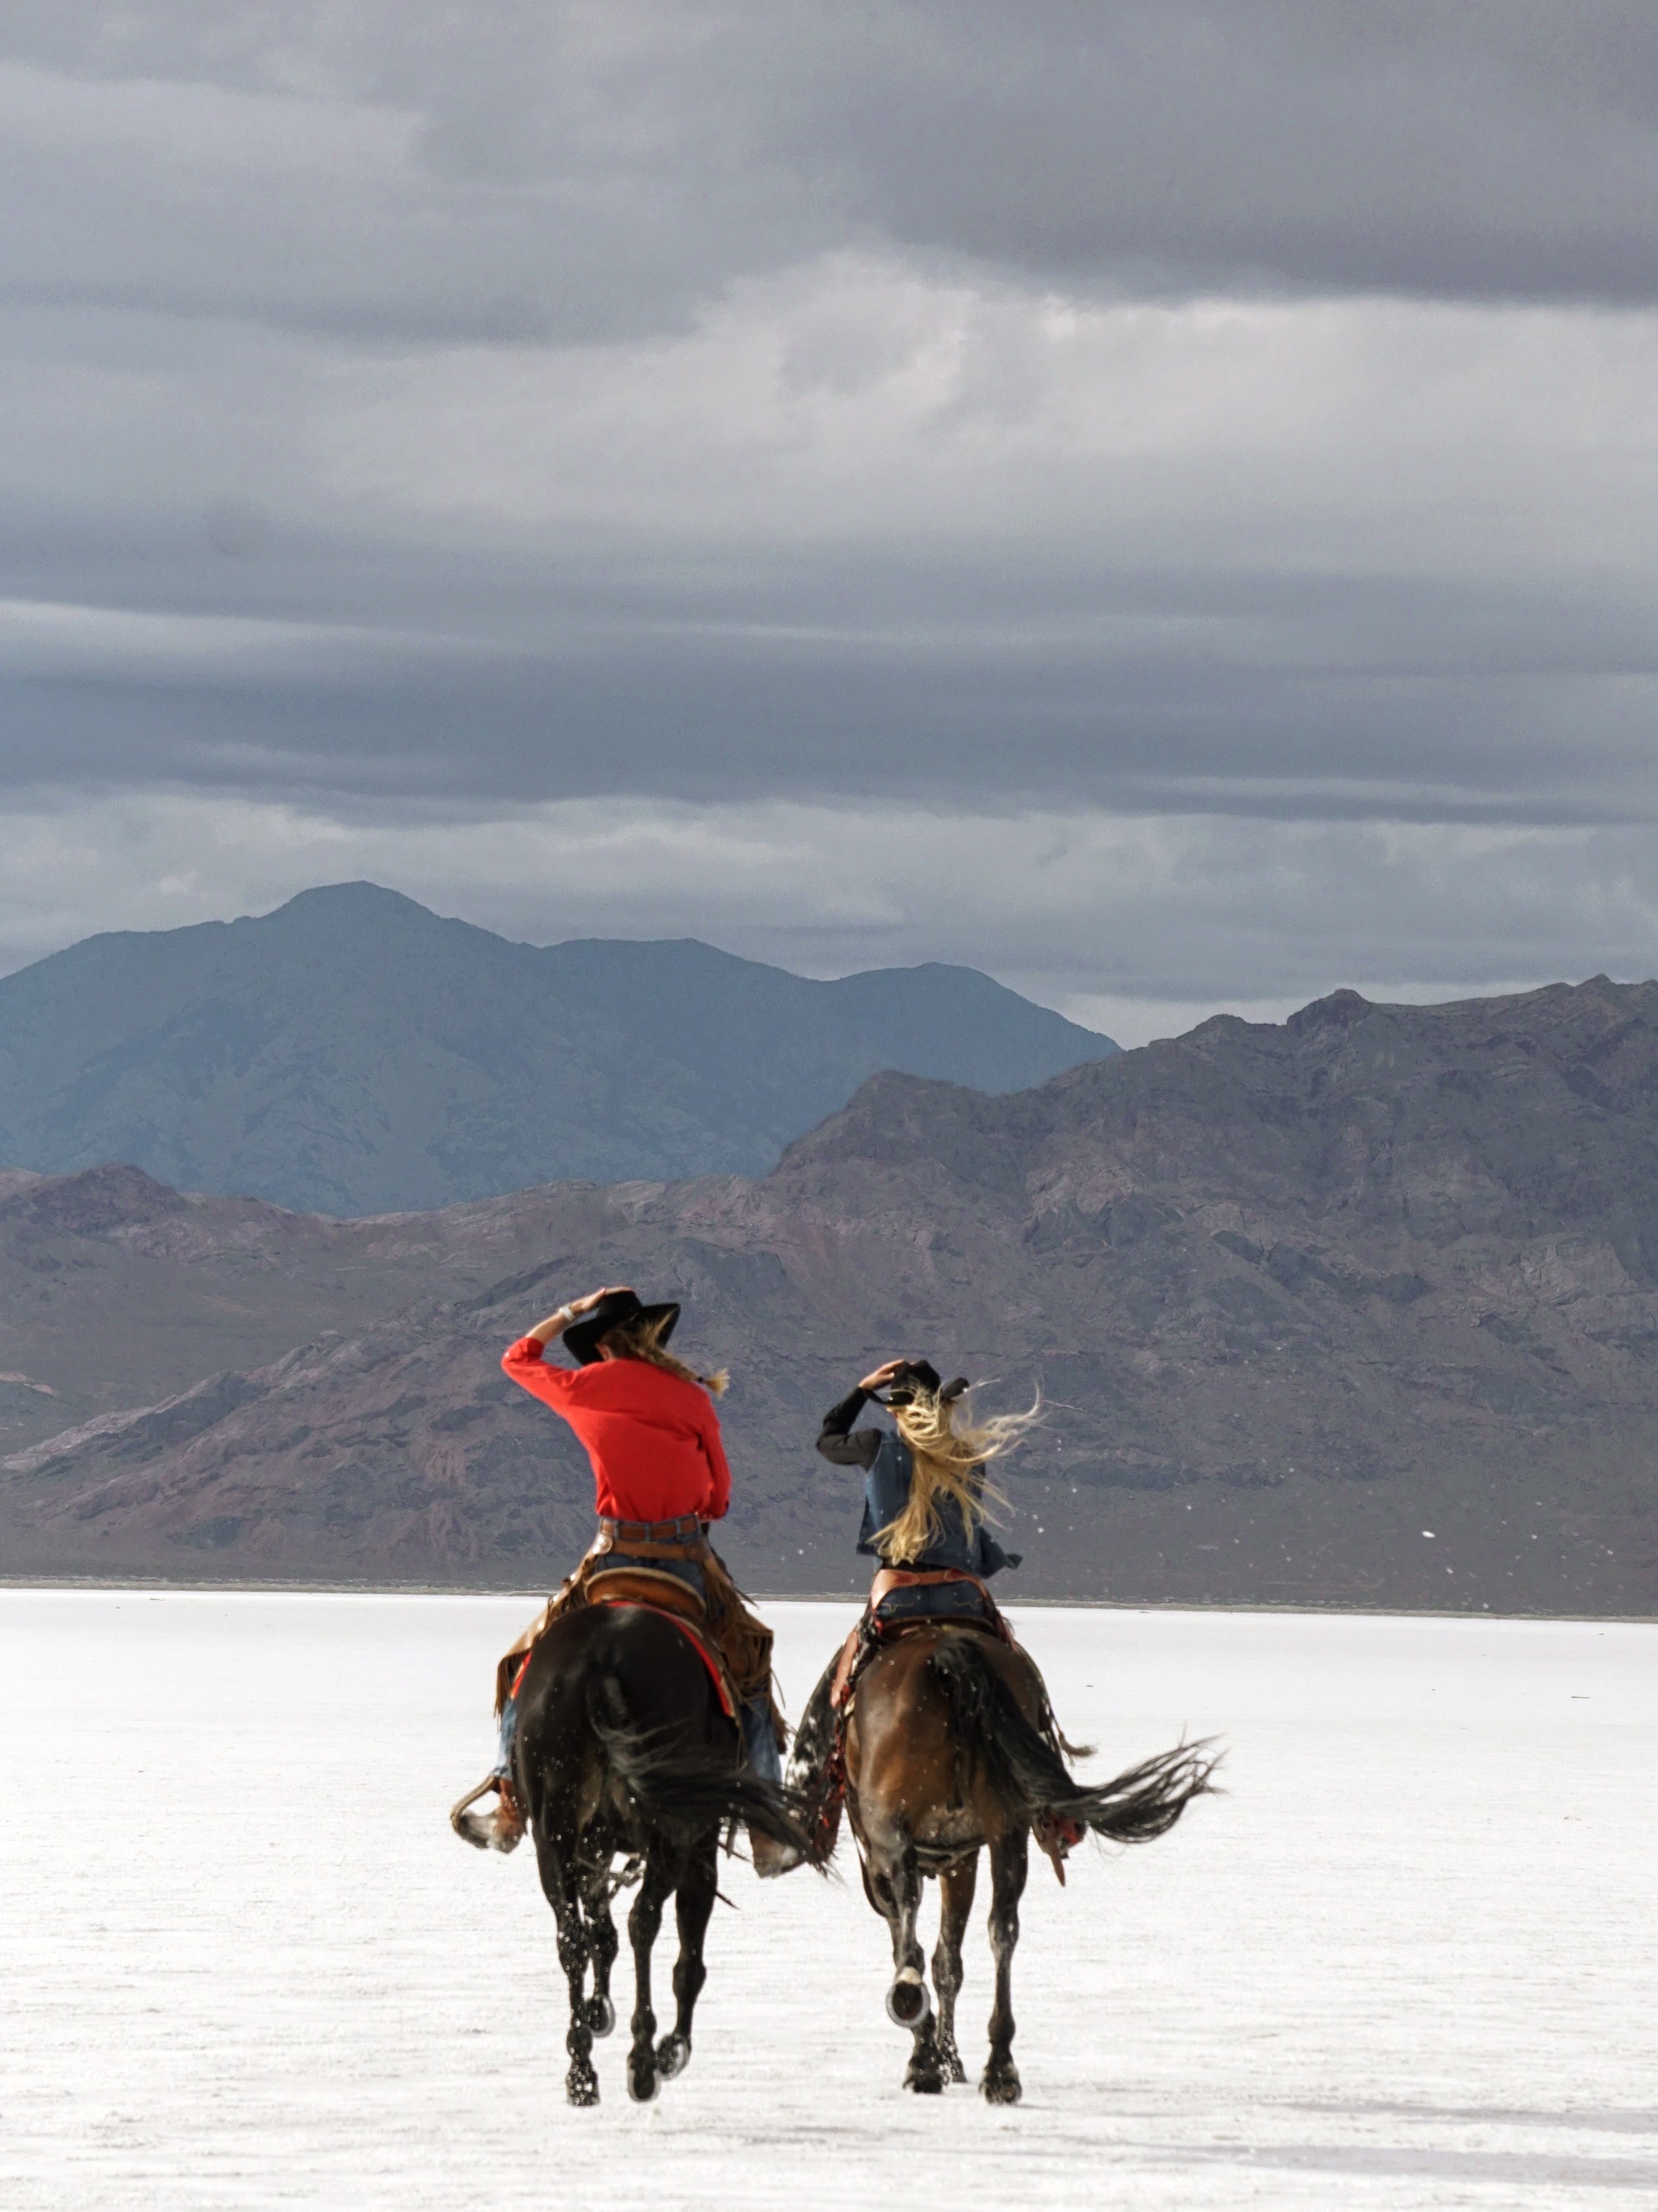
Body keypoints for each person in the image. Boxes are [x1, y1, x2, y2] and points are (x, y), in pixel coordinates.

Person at [451, 1285, 785, 1858]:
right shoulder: (692, 1396)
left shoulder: (581, 1387)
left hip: (613, 1556)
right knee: (749, 1668)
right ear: (652, 1338)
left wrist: (570, 1311)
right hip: (685, 1557)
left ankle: (509, 1802)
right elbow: (719, 1497)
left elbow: (516, 1359)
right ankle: (766, 1826)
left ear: (601, 1344)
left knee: (523, 1665)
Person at [775, 1355, 1038, 1866]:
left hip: (898, 1596)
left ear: (895, 1410)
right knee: (1023, 1680)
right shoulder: (968, 1456)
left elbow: (827, 1439)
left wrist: (860, 1389)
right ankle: (1050, 1808)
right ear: (943, 1407)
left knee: (836, 1692)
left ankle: (812, 1811)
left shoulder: (875, 1446)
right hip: (964, 1596)